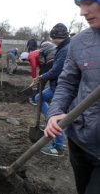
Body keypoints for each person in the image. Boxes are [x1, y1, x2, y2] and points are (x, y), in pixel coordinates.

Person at [45, 0, 100, 193]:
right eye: (79, 5)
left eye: (89, 2)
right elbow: (67, 82)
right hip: (79, 141)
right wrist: (56, 111)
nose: (82, 12)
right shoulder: (79, 43)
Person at [33, 23, 70, 157]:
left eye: (52, 37)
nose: (52, 40)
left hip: (62, 87)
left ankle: (58, 146)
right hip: (58, 85)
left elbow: (56, 71)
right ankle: (51, 121)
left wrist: (42, 76)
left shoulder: (65, 49)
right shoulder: (63, 47)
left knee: (55, 115)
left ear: (55, 37)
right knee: (39, 98)